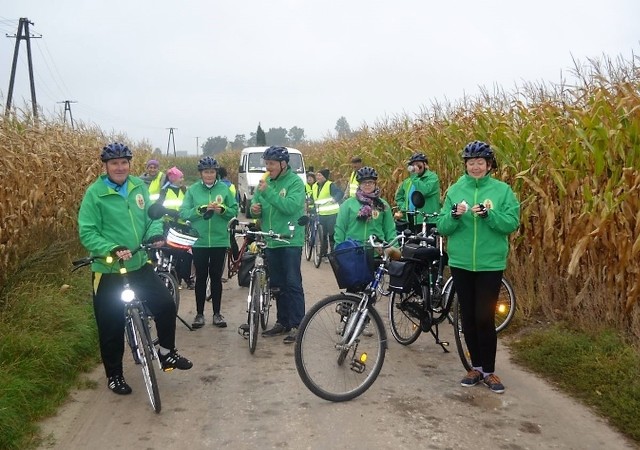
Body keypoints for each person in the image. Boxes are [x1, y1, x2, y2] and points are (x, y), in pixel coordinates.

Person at [78, 143, 192, 396]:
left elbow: (152, 218)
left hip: (139, 263)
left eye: (124, 162)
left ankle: (167, 353)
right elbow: (87, 231)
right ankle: (114, 375)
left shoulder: (138, 187)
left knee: (165, 304)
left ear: (130, 164)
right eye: (114, 163)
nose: (120, 167)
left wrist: (153, 236)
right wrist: (111, 247)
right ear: (105, 166)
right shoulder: (95, 194)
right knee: (111, 324)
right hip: (108, 269)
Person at [436, 140, 520, 394]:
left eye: (480, 162)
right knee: (469, 317)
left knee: (484, 317)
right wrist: (453, 215)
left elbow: (512, 222)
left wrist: (489, 215)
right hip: (461, 262)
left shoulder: (502, 191)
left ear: (489, 165)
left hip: (489, 263)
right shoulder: (455, 189)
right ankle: (476, 368)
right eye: (471, 163)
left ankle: (490, 371)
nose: (475, 167)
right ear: (465, 165)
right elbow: (442, 226)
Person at [245, 146, 306, 344]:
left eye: (271, 164)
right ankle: (283, 322)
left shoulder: (295, 183)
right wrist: (255, 210)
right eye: (266, 163)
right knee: (278, 284)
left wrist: (268, 193)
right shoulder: (266, 183)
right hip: (271, 239)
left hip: (289, 239)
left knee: (292, 283)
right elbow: (256, 207)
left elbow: (290, 207)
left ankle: (297, 324)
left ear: (283, 164)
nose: (268, 167)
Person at [180, 156, 238, 329]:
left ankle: (217, 314)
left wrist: (224, 210)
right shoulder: (193, 190)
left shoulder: (225, 189)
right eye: (206, 172)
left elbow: (235, 210)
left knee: (216, 278)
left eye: (212, 172)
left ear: (216, 173)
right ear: (201, 173)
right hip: (200, 241)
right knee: (200, 278)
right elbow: (184, 213)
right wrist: (199, 210)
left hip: (219, 240)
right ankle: (199, 314)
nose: (209, 175)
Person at [334, 166, 396, 247]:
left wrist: (395, 249)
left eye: (370, 182)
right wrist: (338, 250)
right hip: (353, 250)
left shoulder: (382, 205)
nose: (367, 185)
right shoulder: (348, 204)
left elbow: (390, 229)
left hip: (377, 251)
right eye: (364, 182)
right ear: (359, 184)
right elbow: (340, 229)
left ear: (375, 184)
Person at [158, 166, 194, 289]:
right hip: (170, 225)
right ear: (173, 179)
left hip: (184, 225)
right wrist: (171, 213)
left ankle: (187, 278)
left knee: (187, 253)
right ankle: (176, 279)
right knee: (174, 253)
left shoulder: (184, 190)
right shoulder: (165, 191)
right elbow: (159, 207)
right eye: (180, 177)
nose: (182, 179)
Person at [394, 152, 441, 233]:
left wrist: (414, 177)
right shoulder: (408, 181)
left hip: (427, 219)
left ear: (425, 165)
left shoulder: (432, 177)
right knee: (412, 244)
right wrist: (404, 207)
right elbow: (399, 196)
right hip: (411, 219)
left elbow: (425, 191)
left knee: (428, 244)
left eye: (418, 164)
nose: (415, 167)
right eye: (413, 165)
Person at [311, 168, 344, 259]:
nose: (318, 177)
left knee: (332, 234)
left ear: (324, 177)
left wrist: (335, 199)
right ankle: (323, 253)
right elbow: (312, 197)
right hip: (320, 214)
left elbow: (339, 193)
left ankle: (333, 253)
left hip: (331, 214)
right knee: (323, 235)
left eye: (320, 175)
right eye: (317, 175)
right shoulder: (314, 186)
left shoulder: (330, 185)